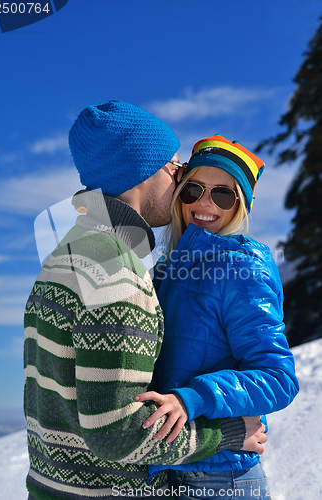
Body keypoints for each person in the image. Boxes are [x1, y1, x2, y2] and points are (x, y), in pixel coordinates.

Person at [23, 105, 266, 500]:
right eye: (173, 165)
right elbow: (117, 435)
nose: (179, 176)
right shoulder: (116, 271)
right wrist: (228, 434)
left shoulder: (66, 253)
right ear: (143, 170)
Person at [135, 135, 300, 499]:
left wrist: (193, 397)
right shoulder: (167, 270)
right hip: (176, 467)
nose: (205, 203)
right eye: (193, 189)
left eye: (223, 194)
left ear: (240, 205)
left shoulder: (243, 267)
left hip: (221, 479)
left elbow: (278, 377)